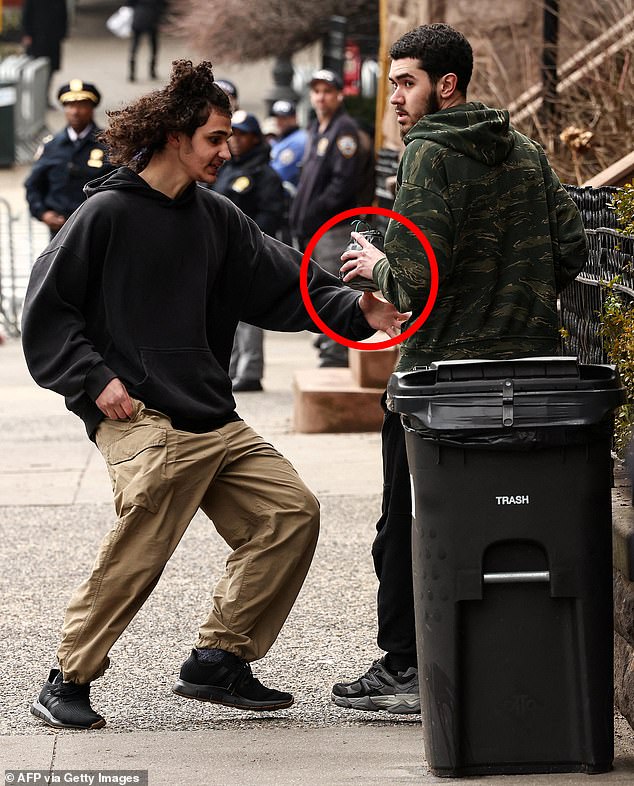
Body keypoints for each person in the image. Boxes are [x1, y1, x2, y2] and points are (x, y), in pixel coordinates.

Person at [21, 59, 406, 731]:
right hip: (138, 414)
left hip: (209, 413)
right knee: (150, 519)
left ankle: (217, 660)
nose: (226, 151)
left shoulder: (217, 218)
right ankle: (67, 678)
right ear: (175, 136)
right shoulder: (105, 214)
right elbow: (47, 311)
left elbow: (288, 281)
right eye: (214, 138)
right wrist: (94, 379)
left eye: (227, 138)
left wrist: (357, 310)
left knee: (289, 513)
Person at [332, 23, 588, 714]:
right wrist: (512, 288)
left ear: (447, 85)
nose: (396, 99)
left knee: (408, 521)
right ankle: (493, 660)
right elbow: (572, 250)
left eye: (407, 83)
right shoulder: (526, 151)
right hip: (529, 376)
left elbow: (417, 278)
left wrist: (374, 266)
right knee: (503, 525)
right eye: (393, 84)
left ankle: (405, 667)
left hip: (438, 382)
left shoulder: (428, 154)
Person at [290, 69, 363, 368]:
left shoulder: (344, 131)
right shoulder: (317, 129)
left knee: (334, 288)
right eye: (317, 91)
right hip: (315, 228)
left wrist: (315, 211)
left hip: (333, 227)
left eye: (327, 91)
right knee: (318, 287)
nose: (321, 97)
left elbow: (342, 184)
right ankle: (326, 343)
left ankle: (335, 352)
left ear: (339, 95)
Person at [211, 110, 285, 392]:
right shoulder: (228, 168)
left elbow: (270, 215)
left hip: (249, 253)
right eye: (233, 135)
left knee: (249, 316)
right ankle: (230, 369)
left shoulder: (265, 174)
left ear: (255, 138)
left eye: (242, 135)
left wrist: (248, 243)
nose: (236, 140)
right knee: (227, 314)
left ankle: (250, 372)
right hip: (223, 251)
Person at [24, 80, 114, 237]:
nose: (75, 111)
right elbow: (33, 184)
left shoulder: (109, 144)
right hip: (60, 230)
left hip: (97, 227)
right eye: (70, 106)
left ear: (92, 108)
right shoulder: (51, 146)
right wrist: (43, 213)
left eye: (81, 105)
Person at [21, 0, 67, 105]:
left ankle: (45, 98)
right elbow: (26, 14)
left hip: (53, 38)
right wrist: (27, 34)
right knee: (34, 70)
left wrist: (62, 34)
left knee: (50, 70)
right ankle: (35, 99)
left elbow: (63, 16)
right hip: (36, 39)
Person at [269, 100, 307, 189]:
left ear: (294, 118)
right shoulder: (281, 138)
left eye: (284, 118)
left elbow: (278, 174)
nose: (279, 122)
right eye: (277, 117)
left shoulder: (298, 140)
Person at [127, 0, 167, 82]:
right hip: (152, 19)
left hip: (138, 17)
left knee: (135, 44)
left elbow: (129, 4)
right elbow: (163, 5)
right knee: (153, 45)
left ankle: (132, 71)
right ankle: (152, 71)